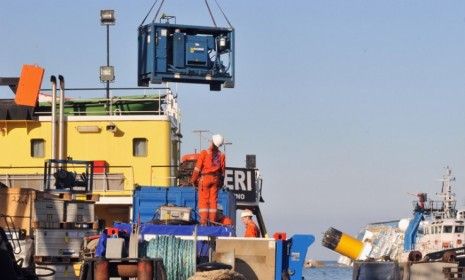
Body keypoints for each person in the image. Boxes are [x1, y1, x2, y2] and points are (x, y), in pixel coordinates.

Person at [191, 134, 226, 225]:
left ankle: (203, 223)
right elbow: (223, 172)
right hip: (216, 180)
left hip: (205, 179)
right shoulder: (222, 155)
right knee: (213, 202)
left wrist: (193, 180)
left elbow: (197, 169)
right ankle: (212, 222)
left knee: (204, 202)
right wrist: (220, 184)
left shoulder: (204, 153)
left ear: (211, 141)